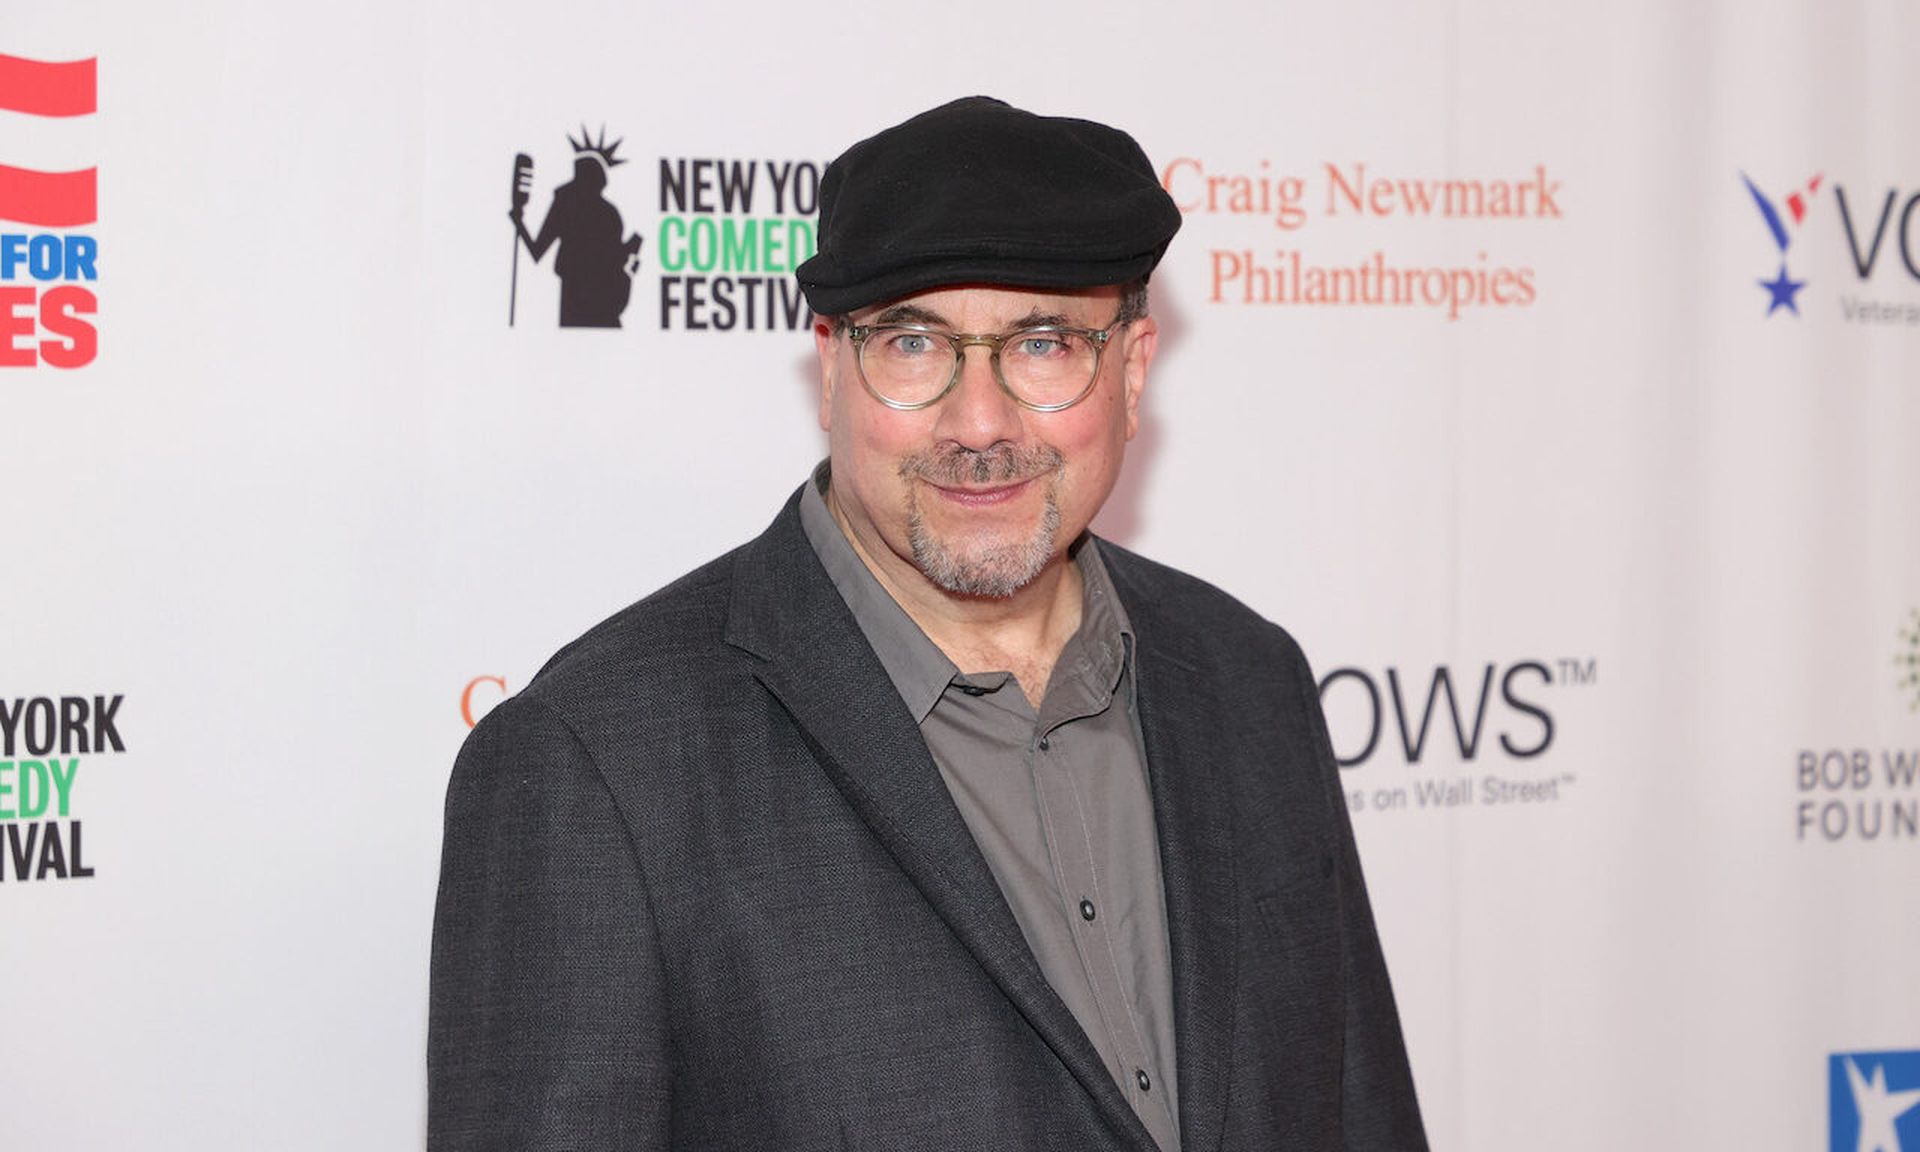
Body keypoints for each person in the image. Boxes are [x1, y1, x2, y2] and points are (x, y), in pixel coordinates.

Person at [430, 96, 1427, 1152]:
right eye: (915, 344)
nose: (980, 421)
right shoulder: (596, 765)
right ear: (831, 367)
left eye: (1044, 345)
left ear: (1133, 372)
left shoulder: (1249, 681)